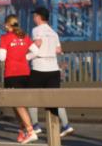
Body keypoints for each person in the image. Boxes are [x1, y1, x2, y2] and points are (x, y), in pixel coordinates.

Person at [26, 7, 74, 137]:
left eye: (34, 16)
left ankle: (35, 126)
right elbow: (58, 50)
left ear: (39, 17)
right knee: (55, 99)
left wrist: (26, 56)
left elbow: (38, 43)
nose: (33, 18)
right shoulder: (53, 32)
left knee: (31, 98)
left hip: (39, 68)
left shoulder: (36, 30)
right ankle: (66, 125)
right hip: (53, 69)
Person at [0, 15, 37, 144]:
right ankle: (22, 131)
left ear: (8, 25)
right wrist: (25, 58)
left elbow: (2, 57)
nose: (4, 26)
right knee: (19, 104)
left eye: (5, 24)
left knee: (17, 104)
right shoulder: (24, 36)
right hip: (25, 73)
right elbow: (36, 51)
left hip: (12, 74)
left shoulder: (5, 38)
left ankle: (30, 131)